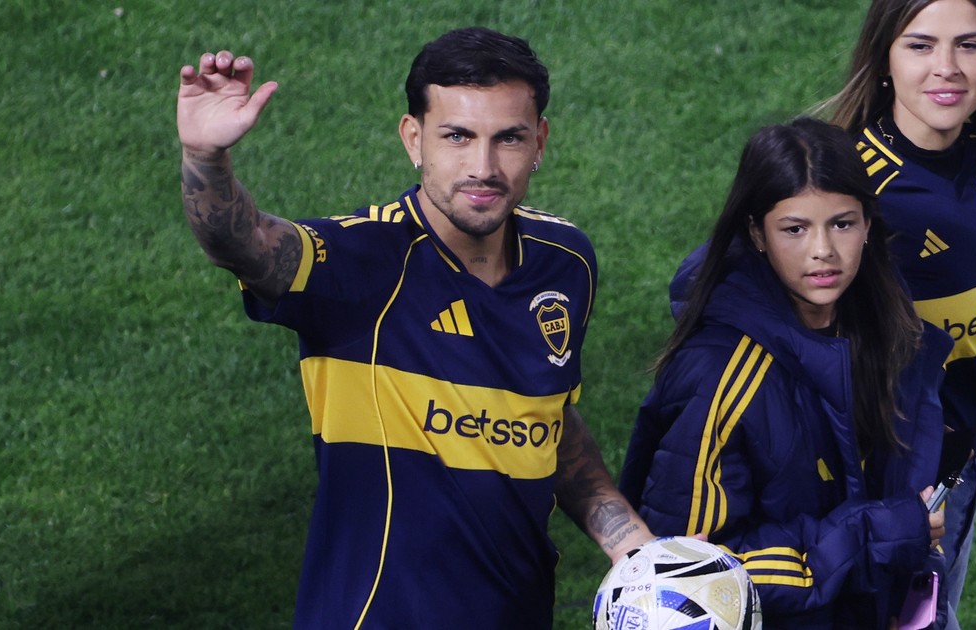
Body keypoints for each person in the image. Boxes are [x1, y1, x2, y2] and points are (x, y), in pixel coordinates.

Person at [176, 27, 653, 629]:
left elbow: (546, 418)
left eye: (508, 138)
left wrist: (629, 541)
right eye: (457, 137)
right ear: (413, 139)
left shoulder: (566, 263)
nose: (483, 168)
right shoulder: (359, 262)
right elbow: (241, 243)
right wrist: (206, 158)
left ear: (540, 142)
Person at [619, 118, 954, 628]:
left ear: (868, 224)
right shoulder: (716, 375)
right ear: (757, 232)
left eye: (843, 223)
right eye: (795, 229)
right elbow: (689, 574)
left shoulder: (886, 323)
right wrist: (879, 535)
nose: (823, 250)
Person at [823, 0, 976, 626]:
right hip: (883, 494)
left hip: (958, 467)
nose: (948, 67)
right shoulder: (851, 191)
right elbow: (710, 293)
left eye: (969, 45)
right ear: (883, 59)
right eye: (920, 45)